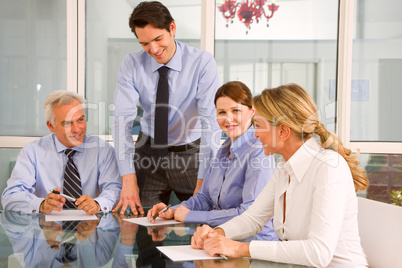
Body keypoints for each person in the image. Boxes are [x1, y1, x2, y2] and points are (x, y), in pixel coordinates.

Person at [191, 83, 369, 267]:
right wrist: (217, 233)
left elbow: (318, 253)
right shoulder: (285, 168)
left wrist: (239, 248)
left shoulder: (329, 168)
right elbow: (253, 218)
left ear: (283, 131)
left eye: (258, 125)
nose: (256, 134)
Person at [111, 1, 221, 215]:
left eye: (158, 39)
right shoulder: (132, 64)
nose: (153, 49)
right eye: (144, 43)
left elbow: (211, 123)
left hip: (190, 155)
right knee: (143, 229)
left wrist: (204, 180)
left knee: (201, 222)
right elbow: (121, 120)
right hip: (148, 153)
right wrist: (128, 179)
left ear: (172, 28)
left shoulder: (202, 63)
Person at [147, 81, 277, 240]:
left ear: (252, 112)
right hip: (223, 240)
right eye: (222, 112)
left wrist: (191, 216)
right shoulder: (223, 150)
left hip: (254, 246)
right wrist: (174, 210)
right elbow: (205, 198)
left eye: (236, 110)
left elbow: (247, 214)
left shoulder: (259, 152)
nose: (228, 119)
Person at [1, 90, 122, 214]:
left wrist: (98, 203)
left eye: (80, 120)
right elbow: (10, 196)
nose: (77, 129)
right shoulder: (32, 152)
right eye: (67, 123)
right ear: (51, 126)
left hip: (91, 229)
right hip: (47, 230)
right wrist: (41, 205)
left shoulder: (102, 150)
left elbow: (115, 190)